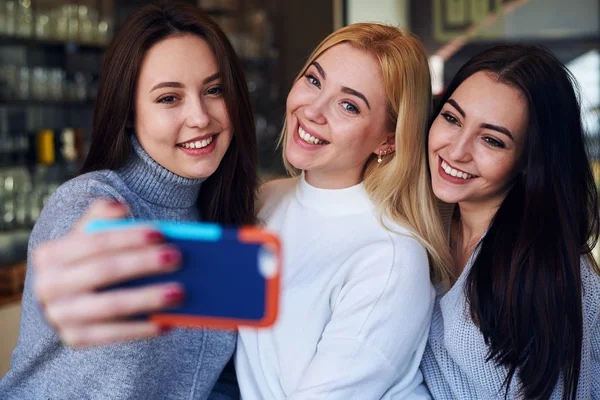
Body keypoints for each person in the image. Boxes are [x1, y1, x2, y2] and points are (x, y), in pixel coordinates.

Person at [0, 3, 256, 399]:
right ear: (128, 114)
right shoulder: (92, 202)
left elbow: (217, 379)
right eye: (169, 98)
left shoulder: (223, 214)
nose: (201, 117)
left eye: (214, 90)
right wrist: (77, 283)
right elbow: (81, 253)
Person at [234, 23, 452, 399]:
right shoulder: (267, 200)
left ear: (388, 139)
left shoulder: (390, 257)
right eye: (314, 81)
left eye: (349, 105)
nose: (313, 110)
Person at [421, 44, 600, 399]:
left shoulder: (552, 275)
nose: (456, 151)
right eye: (452, 118)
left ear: (529, 160)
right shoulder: (427, 224)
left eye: (492, 140)